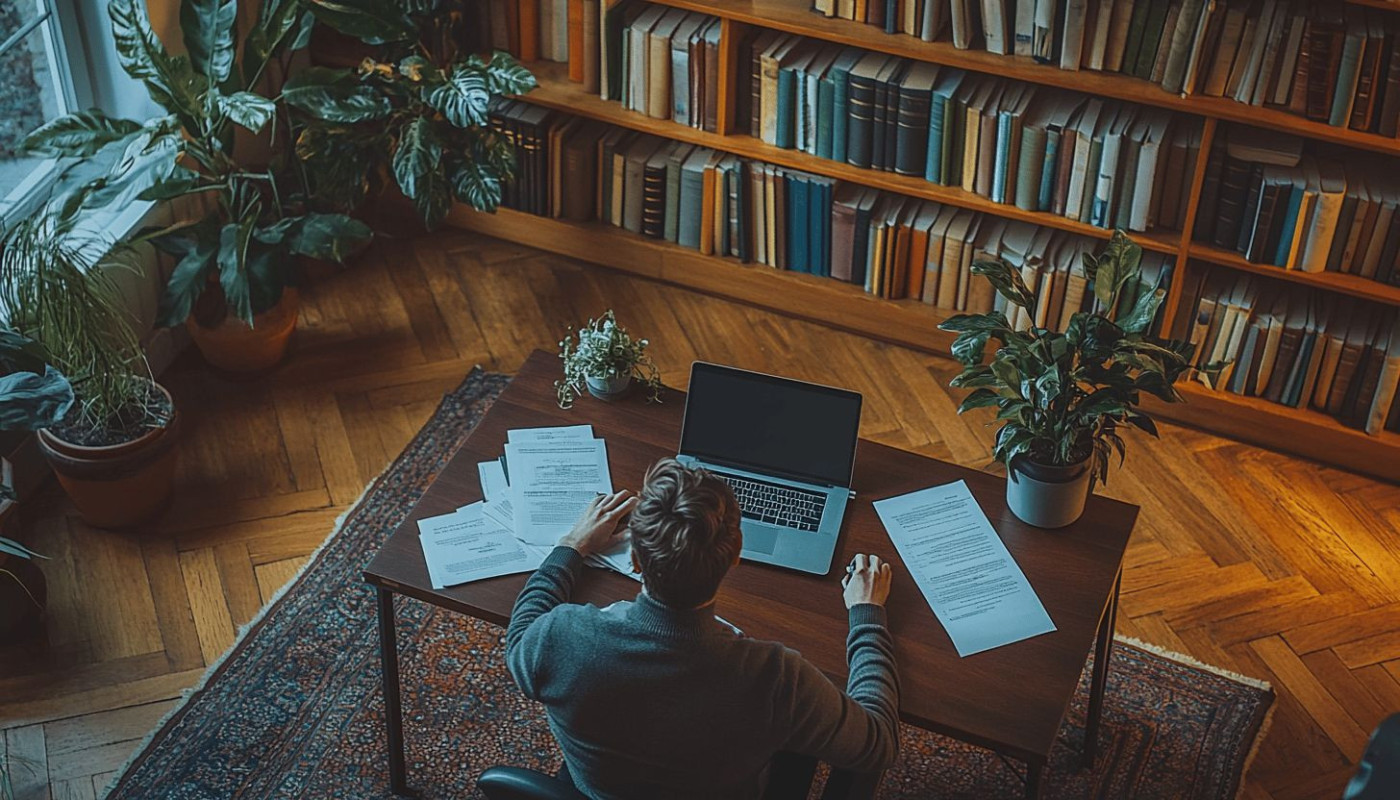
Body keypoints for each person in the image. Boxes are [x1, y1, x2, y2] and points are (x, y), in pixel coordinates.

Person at [505, 457, 900, 800]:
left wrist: (571, 545)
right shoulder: (777, 680)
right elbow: (878, 744)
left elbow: (519, 637)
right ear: (736, 555)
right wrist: (866, 614)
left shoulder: (559, 638)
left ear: (636, 559)